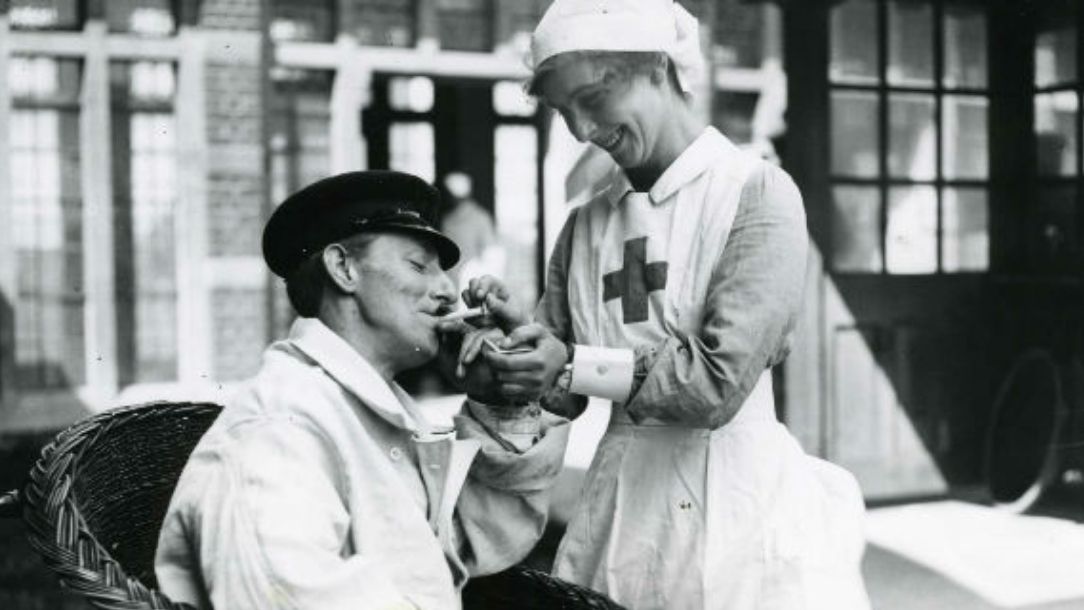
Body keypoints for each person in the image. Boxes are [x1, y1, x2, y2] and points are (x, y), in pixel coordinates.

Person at [447, 1, 870, 608]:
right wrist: (513, 351)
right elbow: (558, 391)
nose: (582, 130)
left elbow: (716, 384)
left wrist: (567, 362)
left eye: (592, 97)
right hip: (620, 512)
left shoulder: (754, 194)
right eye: (563, 111)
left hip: (738, 516)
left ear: (657, 68)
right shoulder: (585, 225)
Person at [154, 170, 570, 610]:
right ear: (343, 268)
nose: (449, 290)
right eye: (418, 265)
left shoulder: (366, 406)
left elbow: (475, 543)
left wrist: (496, 397)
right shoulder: (279, 428)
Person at [438, 171, 505, 293]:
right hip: (448, 281)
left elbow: (490, 255)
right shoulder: (446, 220)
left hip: (470, 282)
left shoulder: (480, 218)